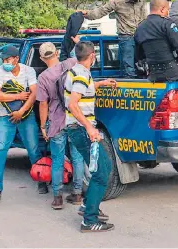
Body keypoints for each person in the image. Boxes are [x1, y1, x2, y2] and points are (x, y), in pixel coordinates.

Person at [0, 45, 47, 200]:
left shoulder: (28, 71)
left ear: (16, 59)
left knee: (33, 149)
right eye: (3, 59)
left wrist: (21, 111)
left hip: (26, 115)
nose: (5, 62)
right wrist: (18, 96)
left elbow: (34, 93)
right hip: (5, 116)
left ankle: (41, 180)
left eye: (8, 59)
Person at [64, 41, 117, 233]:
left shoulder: (76, 71)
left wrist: (100, 84)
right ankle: (89, 220)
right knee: (102, 172)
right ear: (92, 56)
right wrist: (89, 128)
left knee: (102, 168)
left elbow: (81, 88)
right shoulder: (81, 74)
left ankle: (87, 206)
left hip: (78, 129)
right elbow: (73, 104)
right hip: (81, 129)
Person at [36, 40, 87, 211]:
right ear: (56, 53)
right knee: (77, 157)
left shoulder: (42, 77)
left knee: (57, 160)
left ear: (42, 58)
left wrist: (43, 126)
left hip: (56, 121)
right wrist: (78, 41)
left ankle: (57, 197)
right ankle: (78, 194)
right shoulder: (71, 63)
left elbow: (43, 104)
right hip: (74, 117)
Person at [79, 0, 147, 78]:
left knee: (144, 62)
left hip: (140, 33)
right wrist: (87, 14)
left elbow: (144, 15)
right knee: (128, 66)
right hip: (126, 35)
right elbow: (102, 11)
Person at [134, 0, 178, 82]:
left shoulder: (140, 27)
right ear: (162, 9)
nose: (168, 12)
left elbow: (138, 55)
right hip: (173, 74)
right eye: (168, 9)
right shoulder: (167, 24)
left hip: (153, 76)